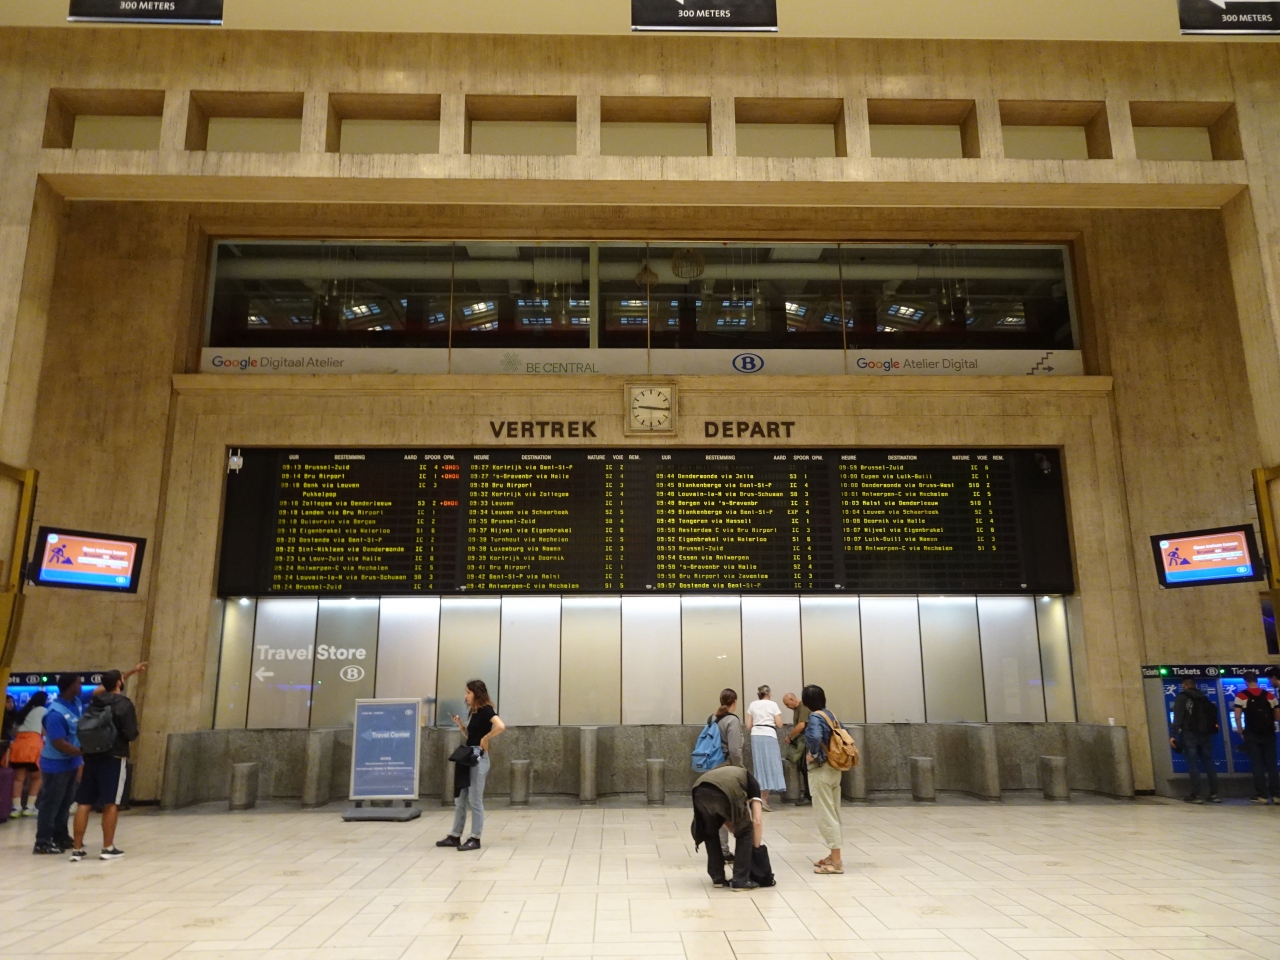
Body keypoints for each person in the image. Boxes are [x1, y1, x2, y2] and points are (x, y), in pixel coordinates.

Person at [69, 669, 139, 861]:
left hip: (90, 755)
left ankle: (77, 849)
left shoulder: (94, 702)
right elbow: (131, 733)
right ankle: (107, 847)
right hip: (114, 756)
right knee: (111, 802)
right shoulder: (124, 704)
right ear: (119, 683)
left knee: (84, 802)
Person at [437, 679, 505, 852]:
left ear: (477, 693)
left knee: (475, 800)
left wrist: (486, 738)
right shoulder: (474, 712)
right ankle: (455, 835)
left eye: (468, 692)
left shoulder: (486, 709)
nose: (465, 696)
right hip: (468, 756)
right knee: (460, 799)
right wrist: (461, 726)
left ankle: (475, 838)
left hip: (478, 758)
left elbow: (500, 726)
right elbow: (472, 736)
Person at [690, 763, 765, 890]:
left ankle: (717, 878)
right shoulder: (752, 782)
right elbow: (757, 821)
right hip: (723, 792)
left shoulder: (729, 774)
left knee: (710, 832)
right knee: (746, 830)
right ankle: (740, 880)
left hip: (699, 789)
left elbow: (722, 814)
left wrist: (734, 829)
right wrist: (756, 849)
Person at [33, 674, 83, 854]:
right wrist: (82, 752)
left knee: (65, 803)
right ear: (71, 686)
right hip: (56, 765)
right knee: (51, 804)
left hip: (71, 763)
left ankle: (60, 836)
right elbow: (58, 742)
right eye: (78, 683)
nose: (81, 686)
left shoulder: (76, 703)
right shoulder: (55, 713)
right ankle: (43, 841)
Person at [803, 684, 843, 875]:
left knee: (825, 814)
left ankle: (836, 862)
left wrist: (813, 754)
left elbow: (815, 737)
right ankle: (833, 854)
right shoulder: (830, 715)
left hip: (821, 770)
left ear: (806, 702)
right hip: (835, 768)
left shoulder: (814, 717)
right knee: (833, 812)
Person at [1169, 677, 1221, 804]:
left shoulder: (1182, 697)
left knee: (1193, 764)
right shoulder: (1203, 697)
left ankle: (1196, 795)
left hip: (1190, 734)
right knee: (1208, 763)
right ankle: (1214, 794)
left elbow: (1178, 717)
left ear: (1184, 685)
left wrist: (1173, 735)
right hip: (1206, 734)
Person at [1233, 672, 1279, 804]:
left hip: (1252, 734)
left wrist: (1241, 732)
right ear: (1256, 680)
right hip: (1269, 734)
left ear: (1246, 681)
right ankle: (1276, 795)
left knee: (1257, 764)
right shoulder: (1269, 695)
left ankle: (1262, 795)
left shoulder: (1241, 696)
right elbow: (1277, 716)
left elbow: (1237, 717)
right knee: (1271, 764)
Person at [712, 689, 743, 860]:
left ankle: (721, 850)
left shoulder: (715, 719)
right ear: (735, 702)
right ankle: (739, 850)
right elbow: (734, 750)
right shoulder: (732, 720)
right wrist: (739, 768)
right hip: (728, 768)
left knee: (719, 810)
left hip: (713, 768)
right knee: (735, 810)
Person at [744, 685, 785, 811]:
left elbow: (748, 725)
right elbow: (779, 724)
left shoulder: (752, 705)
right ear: (769, 694)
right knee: (771, 765)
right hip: (769, 734)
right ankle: (764, 799)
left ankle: (759, 798)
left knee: (759, 766)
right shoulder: (773, 705)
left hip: (756, 735)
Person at [9, 691, 48, 817]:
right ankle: (29, 807)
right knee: (37, 777)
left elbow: (14, 731)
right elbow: (45, 730)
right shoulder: (43, 711)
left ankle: (16, 808)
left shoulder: (23, 711)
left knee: (18, 778)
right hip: (33, 746)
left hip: (18, 745)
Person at [782, 691, 811, 805]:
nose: (787, 707)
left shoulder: (802, 707)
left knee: (806, 768)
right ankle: (808, 795)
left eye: (787, 704)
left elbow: (801, 725)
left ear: (793, 699)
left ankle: (809, 796)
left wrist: (790, 736)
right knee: (804, 768)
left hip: (806, 741)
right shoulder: (797, 709)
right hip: (803, 740)